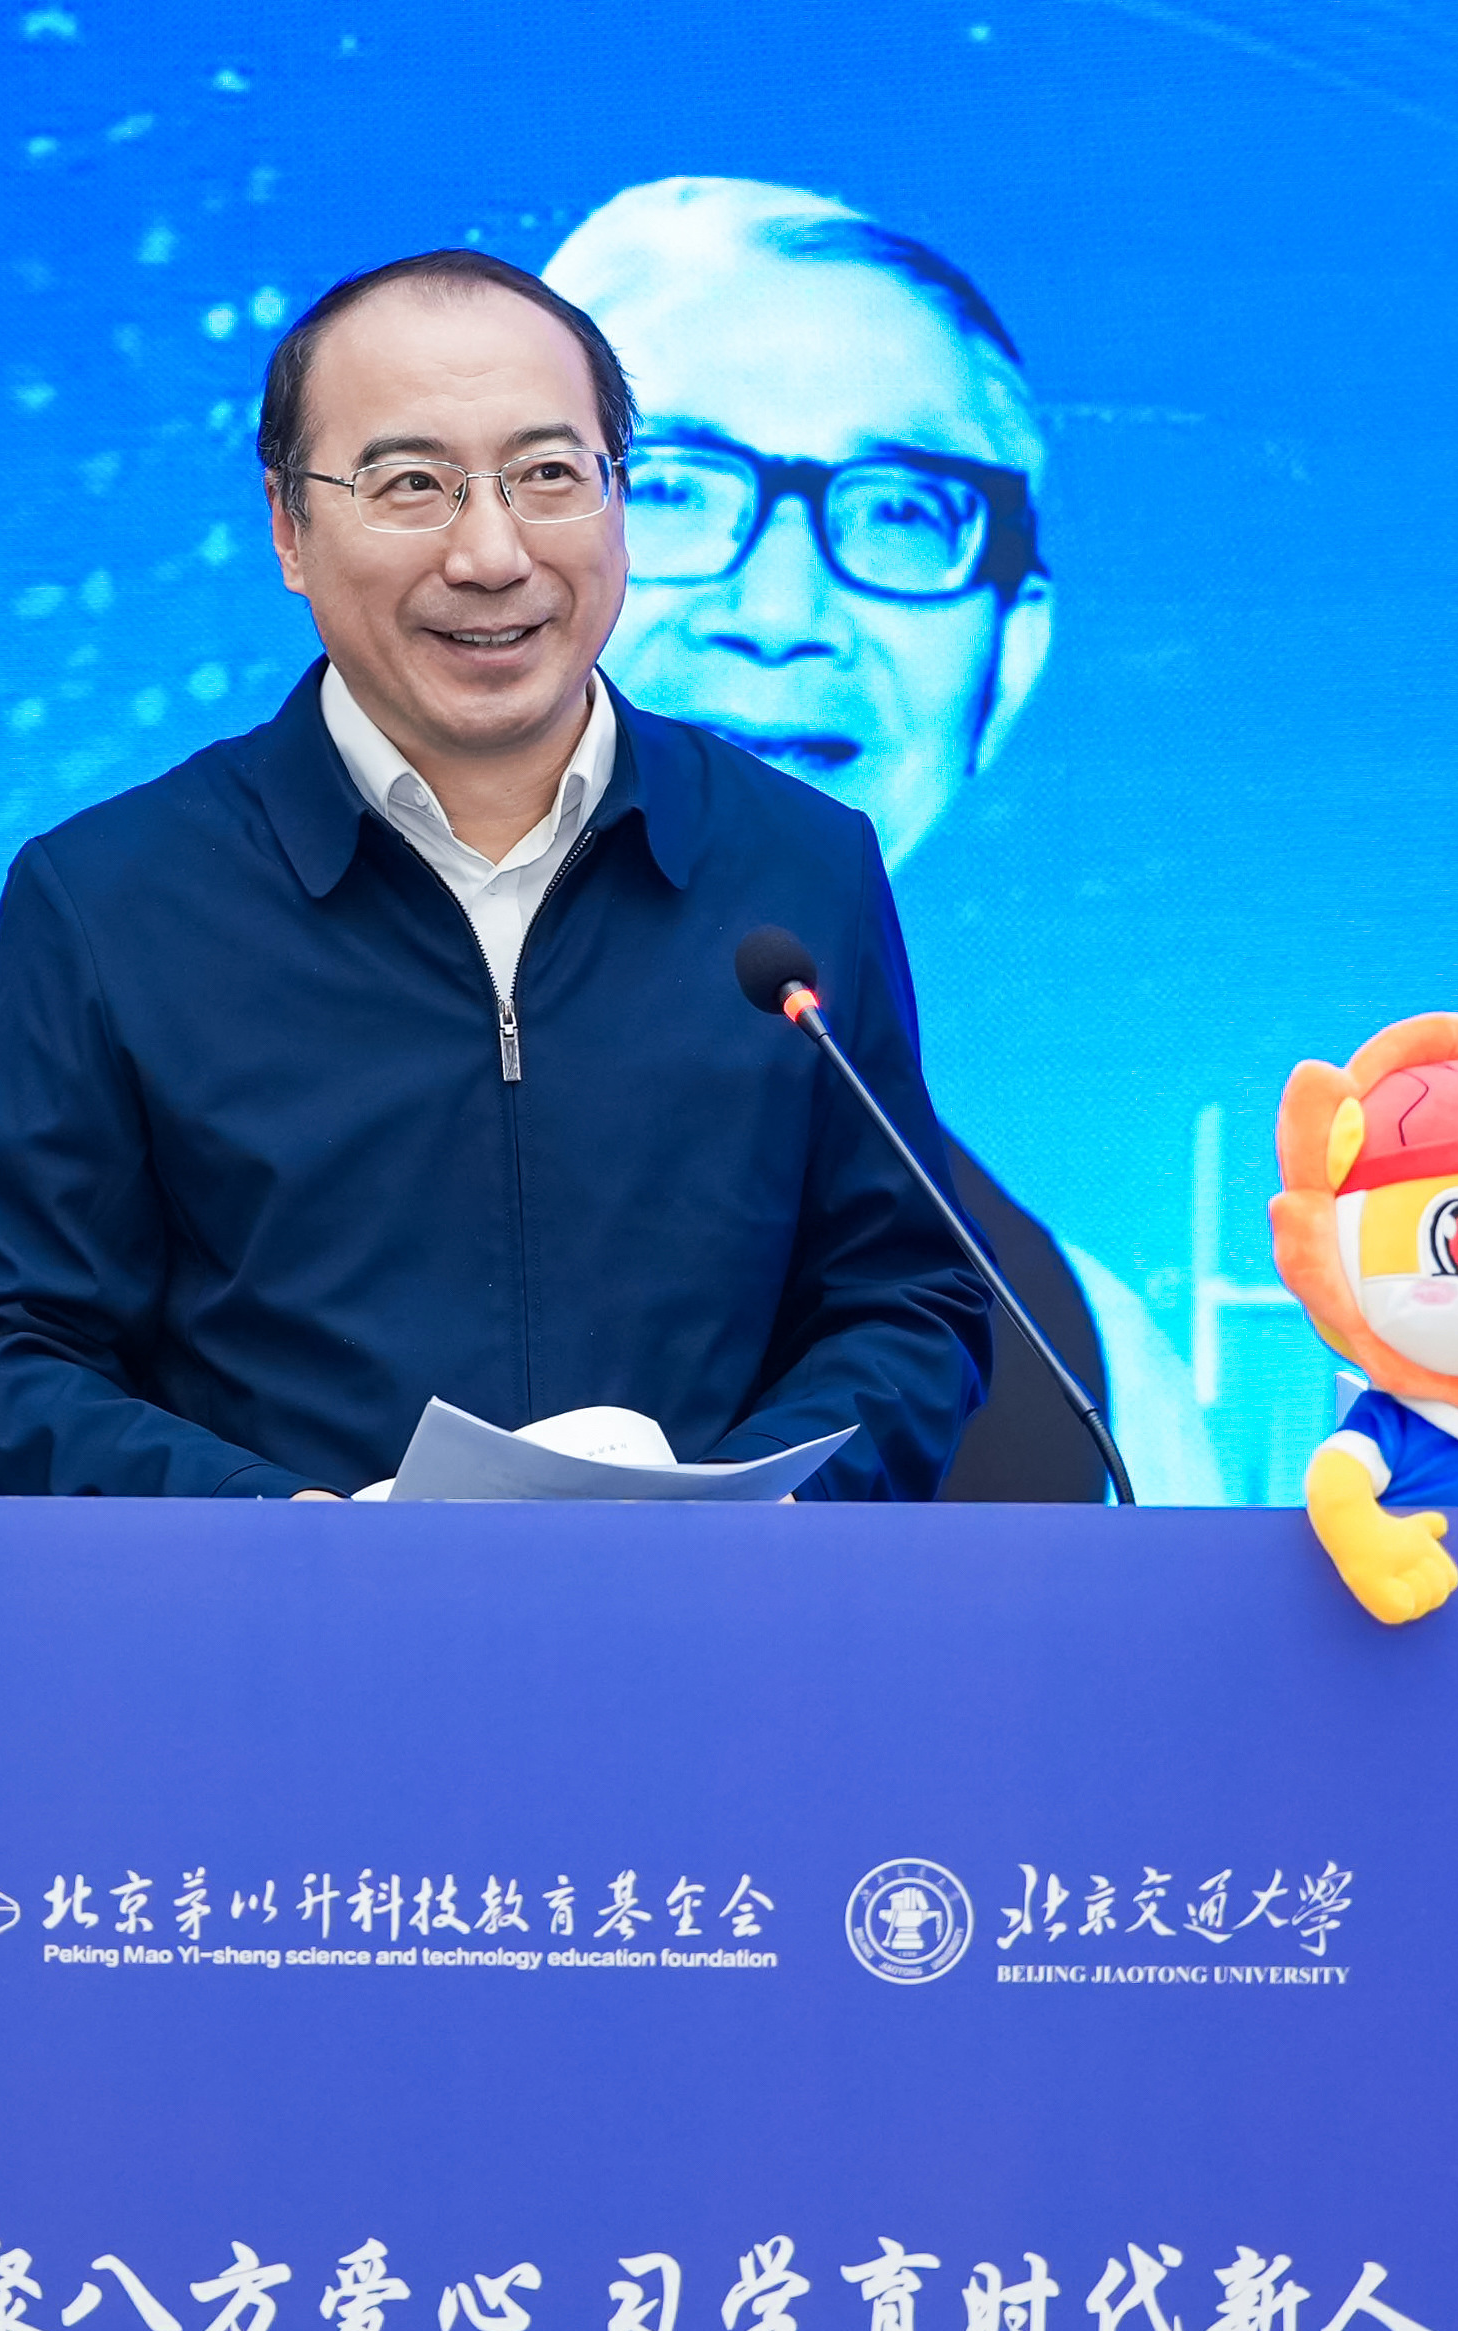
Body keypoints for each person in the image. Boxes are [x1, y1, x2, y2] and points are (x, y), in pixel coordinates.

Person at [0, 248, 990, 1499]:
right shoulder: (111, 900)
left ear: (619, 500)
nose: (492, 554)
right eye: (412, 484)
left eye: (549, 476)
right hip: (281, 1616)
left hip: (715, 1615)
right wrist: (279, 1533)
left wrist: (745, 1522)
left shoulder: (800, 866)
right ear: (289, 528)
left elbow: (907, 1302)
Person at [545, 179, 1214, 1503]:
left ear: (1008, 660)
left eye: (902, 510)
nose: (780, 609)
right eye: (669, 486)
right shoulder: (198, 1187)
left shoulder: (1090, 1369)